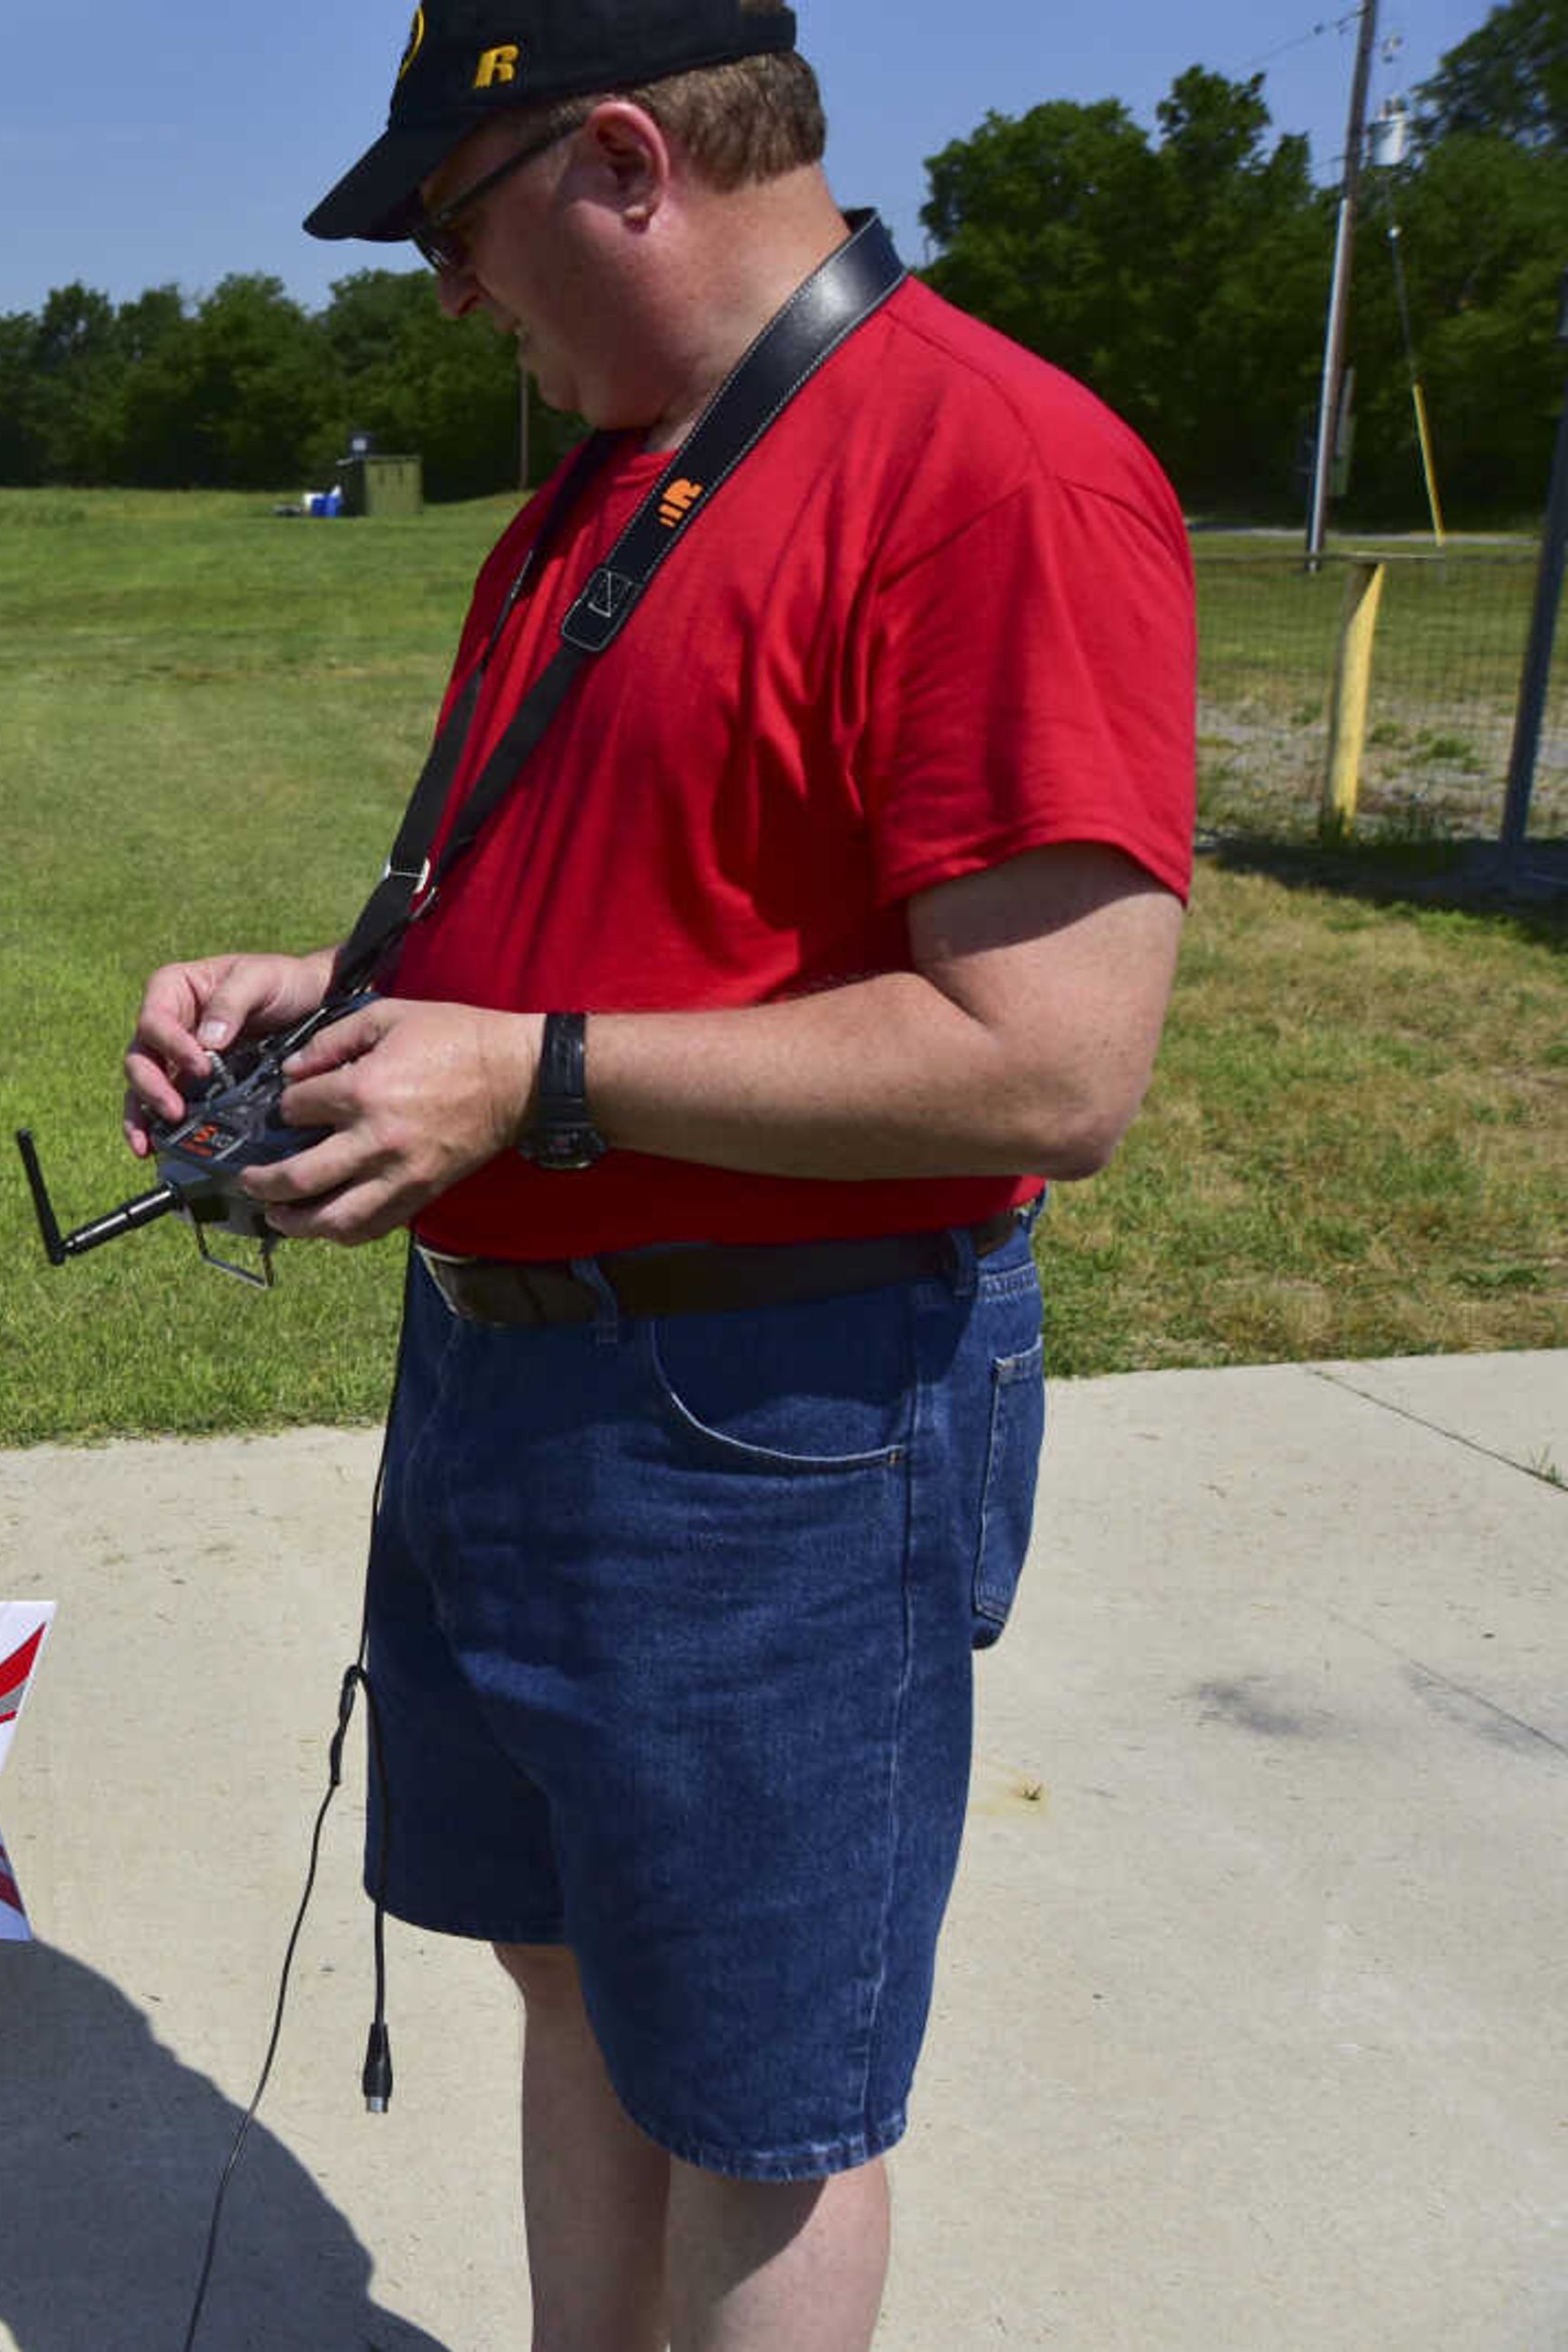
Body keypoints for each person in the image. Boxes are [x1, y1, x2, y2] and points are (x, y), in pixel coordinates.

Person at [119, 6, 1197, 2347]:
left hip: (769, 1421)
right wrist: (330, 999)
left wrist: (540, 1080)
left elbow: (1050, 1067)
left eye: (453, 223)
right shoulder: (614, 482)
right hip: (517, 1378)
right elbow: (612, 909)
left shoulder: (993, 468)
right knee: (571, 1982)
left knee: (756, 2092)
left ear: (621, 158)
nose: (446, 292)